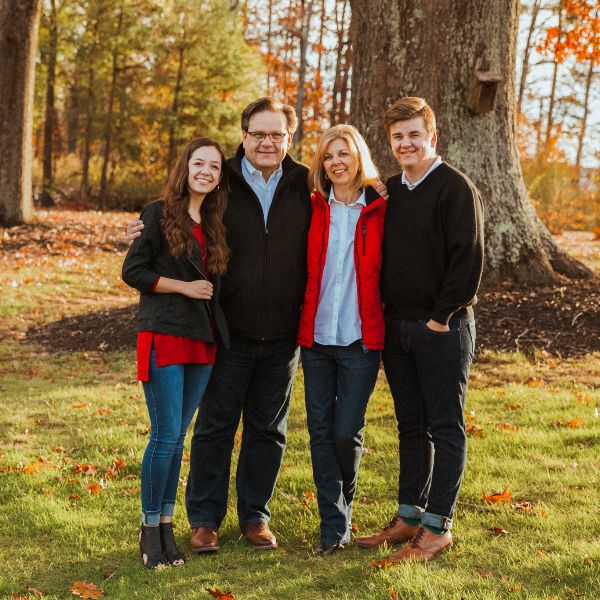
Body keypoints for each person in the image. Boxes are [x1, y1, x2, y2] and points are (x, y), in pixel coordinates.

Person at [127, 97, 311, 552]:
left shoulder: (306, 181)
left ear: (289, 138)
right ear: (244, 135)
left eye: (276, 135)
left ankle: (255, 516)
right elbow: (175, 210)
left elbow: (352, 187)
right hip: (225, 328)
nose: (267, 142)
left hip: (285, 331)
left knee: (268, 429)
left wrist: (379, 191)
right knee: (215, 427)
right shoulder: (220, 178)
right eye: (258, 133)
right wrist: (138, 228)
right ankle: (205, 518)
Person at [354, 97, 484, 562]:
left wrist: (439, 319)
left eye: (414, 134)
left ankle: (437, 528)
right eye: (397, 137)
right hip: (397, 327)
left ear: (432, 137)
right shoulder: (390, 191)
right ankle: (409, 515)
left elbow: (467, 261)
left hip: (442, 328)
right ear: (389, 143)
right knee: (411, 425)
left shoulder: (455, 188)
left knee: (445, 425)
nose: (406, 143)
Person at [122, 137, 230, 568]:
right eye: (198, 163)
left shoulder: (215, 223)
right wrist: (185, 286)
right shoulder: (156, 213)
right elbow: (133, 271)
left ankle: (167, 527)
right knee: (165, 436)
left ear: (221, 177)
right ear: (185, 167)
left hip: (202, 341)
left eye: (215, 167)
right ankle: (150, 532)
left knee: (178, 437)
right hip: (164, 334)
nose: (205, 171)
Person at [296, 125, 386, 556]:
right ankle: (333, 524)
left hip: (359, 338)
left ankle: (341, 509)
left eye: (343, 153)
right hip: (315, 338)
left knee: (346, 430)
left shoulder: (382, 208)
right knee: (319, 430)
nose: (336, 162)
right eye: (328, 156)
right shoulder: (313, 207)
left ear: (358, 157)